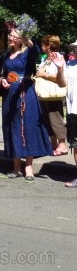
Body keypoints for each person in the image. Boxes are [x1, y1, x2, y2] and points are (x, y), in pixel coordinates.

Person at [0, 26, 52, 181]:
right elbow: (2, 74)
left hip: (26, 93)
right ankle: (16, 167)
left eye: (13, 35)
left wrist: (27, 37)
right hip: (10, 95)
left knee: (28, 126)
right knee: (12, 127)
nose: (10, 37)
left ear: (20, 39)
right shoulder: (8, 54)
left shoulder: (28, 52)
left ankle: (28, 168)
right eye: (10, 35)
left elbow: (36, 50)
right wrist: (4, 81)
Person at [36, 35, 68, 156]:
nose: (41, 46)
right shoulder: (47, 58)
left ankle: (62, 145)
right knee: (47, 119)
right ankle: (53, 144)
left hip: (53, 94)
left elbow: (61, 78)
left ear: (48, 45)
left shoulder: (58, 58)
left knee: (56, 119)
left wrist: (44, 75)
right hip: (45, 94)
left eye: (43, 44)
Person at [64, 40, 77, 188]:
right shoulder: (70, 65)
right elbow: (63, 83)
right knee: (75, 144)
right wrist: (60, 68)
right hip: (74, 110)